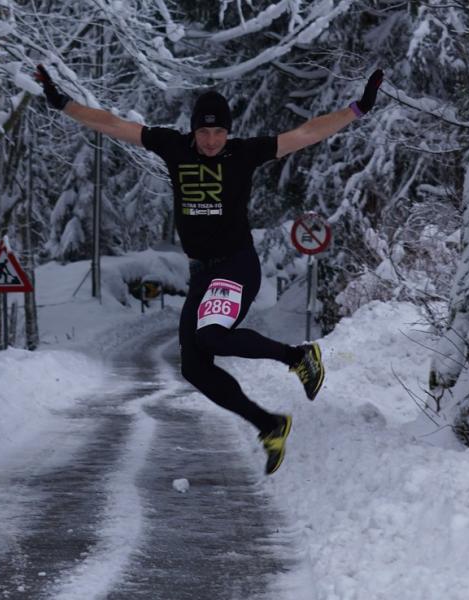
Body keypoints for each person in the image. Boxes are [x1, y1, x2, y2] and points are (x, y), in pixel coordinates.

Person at [34, 64, 384, 474]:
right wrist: (61, 102)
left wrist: (357, 109)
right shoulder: (171, 145)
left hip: (237, 264)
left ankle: (298, 356)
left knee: (213, 335)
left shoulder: (245, 153)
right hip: (202, 272)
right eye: (205, 132)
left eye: (219, 133)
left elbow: (307, 133)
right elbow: (111, 123)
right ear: (194, 132)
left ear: (228, 133)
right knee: (194, 366)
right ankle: (269, 424)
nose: (213, 140)